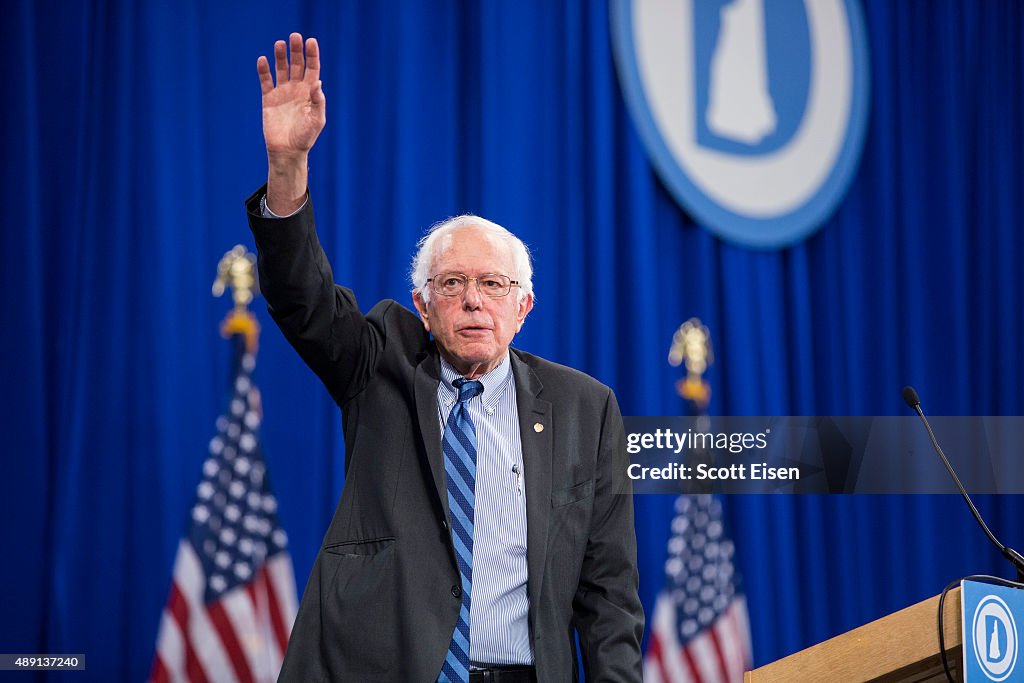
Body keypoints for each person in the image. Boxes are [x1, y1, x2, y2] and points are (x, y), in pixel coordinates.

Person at [247, 33, 643, 682]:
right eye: (451, 285)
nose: (473, 301)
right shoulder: (381, 361)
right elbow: (303, 299)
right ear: (422, 306)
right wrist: (287, 169)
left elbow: (609, 599)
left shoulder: (584, 410)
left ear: (524, 307)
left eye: (493, 284)